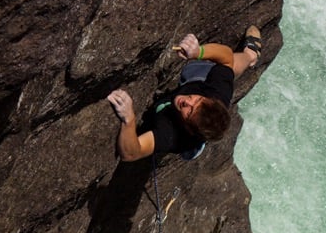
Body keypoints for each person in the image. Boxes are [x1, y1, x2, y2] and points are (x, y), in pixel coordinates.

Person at [107, 26, 261, 161]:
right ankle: (251, 55)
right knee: (230, 67)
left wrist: (129, 120)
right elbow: (227, 58)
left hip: (186, 135)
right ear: (207, 98)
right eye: (197, 100)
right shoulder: (216, 95)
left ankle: (195, 147)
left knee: (189, 141)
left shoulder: (171, 135)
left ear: (188, 128)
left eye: (189, 112)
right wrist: (198, 52)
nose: (188, 101)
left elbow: (131, 154)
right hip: (205, 89)